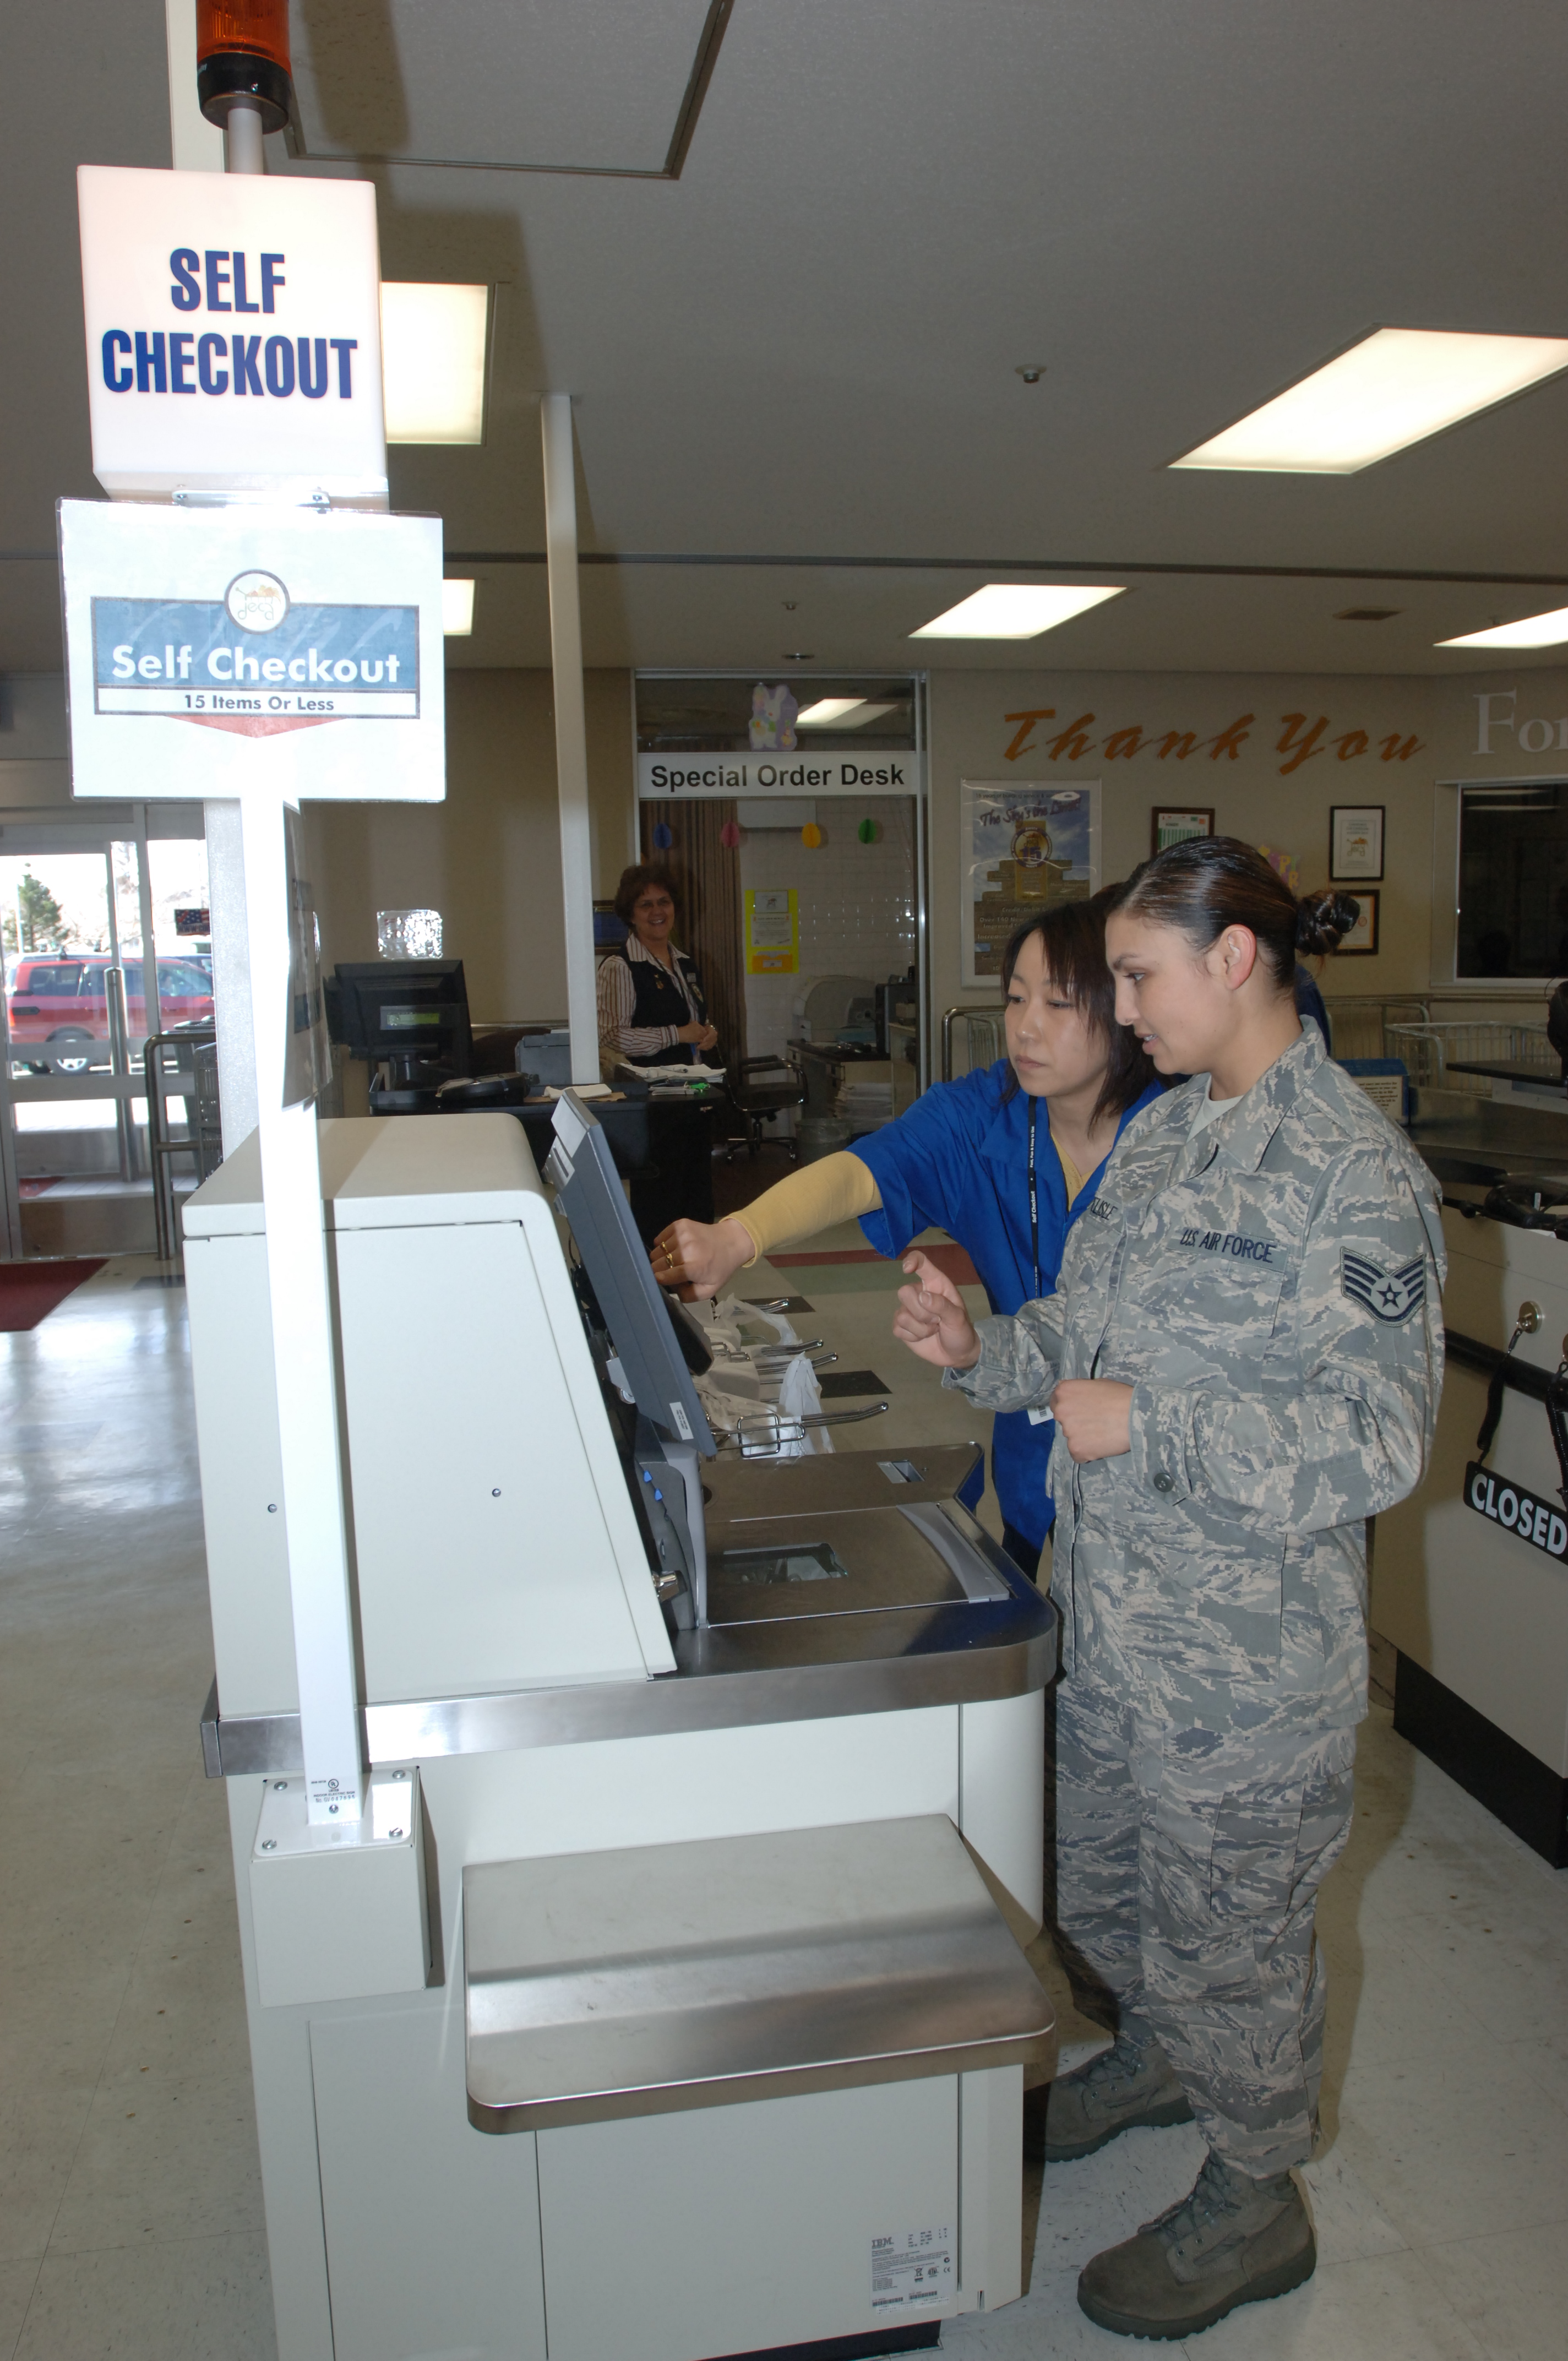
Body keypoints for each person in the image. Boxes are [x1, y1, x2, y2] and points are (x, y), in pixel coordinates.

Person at [892, 837, 1443, 2342]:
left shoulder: (1353, 1172)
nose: (1119, 1005)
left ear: (1235, 961)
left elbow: (1381, 1437)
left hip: (1244, 1671)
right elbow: (1086, 1317)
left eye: (1137, 974)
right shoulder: (1169, 1135)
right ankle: (1152, 2056)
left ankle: (1258, 2197)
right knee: (1105, 1890)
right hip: (1114, 1624)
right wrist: (984, 1349)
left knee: (1237, 1939)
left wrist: (1154, 1423)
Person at [650, 893, 1162, 1575]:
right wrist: (738, 1236)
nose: (1026, 1029)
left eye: (1060, 1003)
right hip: (1032, 1441)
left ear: (1124, 1008)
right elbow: (861, 1171)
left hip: (1159, 1472)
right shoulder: (986, 1115)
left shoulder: (1184, 1131)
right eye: (1014, 999)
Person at [597, 865, 721, 1238]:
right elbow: (614, 1035)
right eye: (645, 904)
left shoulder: (685, 963)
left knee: (697, 1204)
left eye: (664, 902)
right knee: (660, 1206)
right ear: (630, 914)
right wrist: (677, 1034)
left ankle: (693, 1284)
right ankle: (655, 1290)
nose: (657, 911)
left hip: (695, 1098)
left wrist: (708, 1033)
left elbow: (696, 1019)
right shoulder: (620, 967)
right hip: (653, 1108)